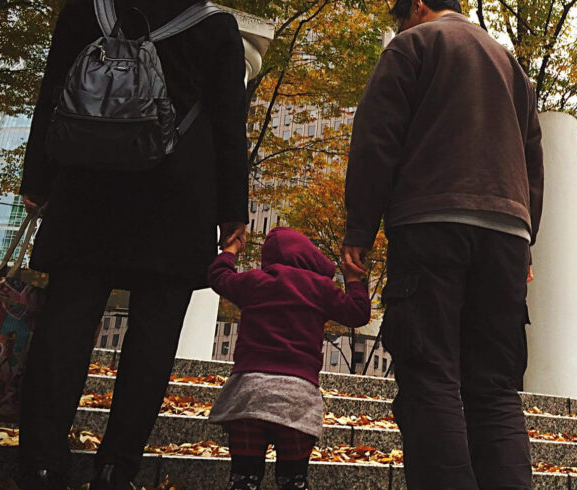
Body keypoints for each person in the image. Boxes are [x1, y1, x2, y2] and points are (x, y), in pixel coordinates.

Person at [16, 1, 249, 488]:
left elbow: (53, 90)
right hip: (176, 197)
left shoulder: (86, 10)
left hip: (87, 187)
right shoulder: (214, 26)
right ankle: (115, 466)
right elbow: (229, 123)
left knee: (65, 322)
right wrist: (232, 211)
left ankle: (42, 461)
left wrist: (37, 175)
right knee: (153, 337)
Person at [341, 0, 544, 486]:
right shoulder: (509, 62)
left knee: (429, 376)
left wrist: (360, 231)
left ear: (418, 5)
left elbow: (376, 139)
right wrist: (526, 241)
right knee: (495, 389)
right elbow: (533, 158)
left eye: (399, 16)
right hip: (507, 233)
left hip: (430, 221)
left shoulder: (412, 45)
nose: (399, 26)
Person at [206, 227, 372, 489]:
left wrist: (230, 250)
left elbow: (219, 277)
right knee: (293, 481)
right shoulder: (320, 288)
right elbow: (358, 313)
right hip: (297, 396)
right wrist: (353, 279)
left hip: (249, 393)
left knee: (243, 480)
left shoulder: (254, 281)